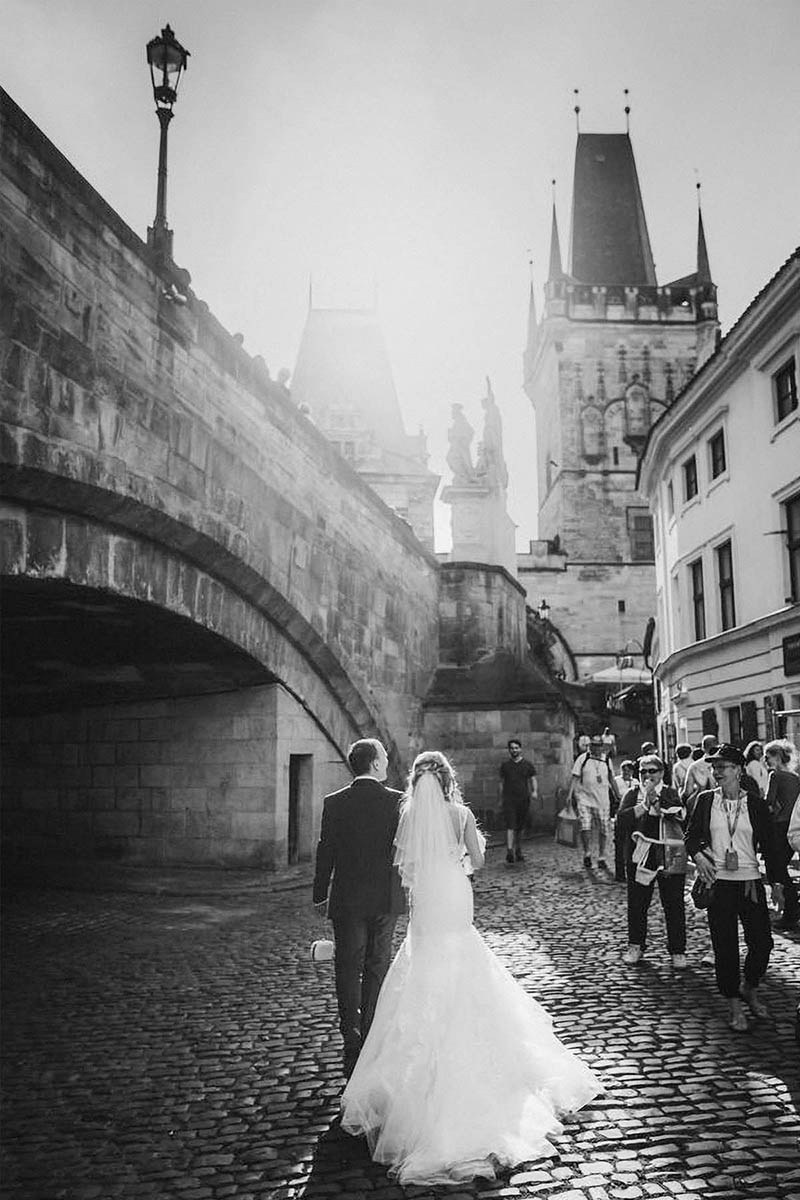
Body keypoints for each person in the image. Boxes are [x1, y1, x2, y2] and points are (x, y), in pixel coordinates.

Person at [340, 751, 601, 1185]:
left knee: (423, 963)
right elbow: (478, 861)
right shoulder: (460, 812)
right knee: (464, 956)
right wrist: (457, 860)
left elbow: (404, 865)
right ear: (446, 779)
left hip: (425, 899)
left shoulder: (407, 814)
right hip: (454, 893)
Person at [312, 738, 405, 1077]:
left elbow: (326, 850)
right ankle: (370, 1034)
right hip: (385, 898)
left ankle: (349, 1037)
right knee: (377, 965)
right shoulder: (397, 802)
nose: (387, 762)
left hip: (348, 898)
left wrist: (319, 893)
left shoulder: (334, 802)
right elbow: (403, 852)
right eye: (384, 757)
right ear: (376, 764)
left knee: (347, 968)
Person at [685, 743, 784, 1032]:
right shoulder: (705, 801)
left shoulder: (754, 803)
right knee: (725, 947)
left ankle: (750, 987)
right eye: (714, 767)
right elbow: (691, 836)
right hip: (718, 885)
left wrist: (777, 882)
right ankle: (734, 1004)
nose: (717, 772)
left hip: (750, 882)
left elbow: (770, 845)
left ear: (738, 770)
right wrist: (699, 854)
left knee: (762, 943)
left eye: (723, 767)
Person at [615, 755, 687, 968]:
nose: (647, 775)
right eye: (643, 771)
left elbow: (681, 816)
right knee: (637, 904)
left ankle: (678, 951)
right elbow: (621, 821)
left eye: (652, 771)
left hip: (669, 855)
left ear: (662, 773)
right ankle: (635, 945)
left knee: (673, 904)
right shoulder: (632, 794)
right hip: (640, 857)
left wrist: (658, 801)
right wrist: (643, 805)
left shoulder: (670, 793)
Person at [565, 736, 620, 870]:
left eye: (598, 745)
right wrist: (569, 794)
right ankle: (587, 853)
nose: (595, 747)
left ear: (602, 746)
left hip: (602, 800)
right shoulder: (582, 759)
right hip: (584, 798)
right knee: (585, 826)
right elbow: (575, 777)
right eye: (592, 745)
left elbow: (611, 778)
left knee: (603, 829)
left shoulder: (606, 760)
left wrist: (617, 794)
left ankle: (601, 856)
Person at [764, 738, 800, 930]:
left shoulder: (775, 776)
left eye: (768, 756)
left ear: (777, 757)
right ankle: (791, 908)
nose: (765, 760)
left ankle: (791, 910)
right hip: (793, 824)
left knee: (776, 868)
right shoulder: (794, 776)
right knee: (781, 867)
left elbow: (768, 802)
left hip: (778, 826)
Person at [499, 738, 538, 864]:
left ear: (520, 749)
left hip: (523, 799)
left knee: (520, 827)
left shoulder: (527, 765)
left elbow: (533, 779)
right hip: (509, 799)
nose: (514, 750)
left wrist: (535, 791)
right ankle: (510, 851)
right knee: (510, 825)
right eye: (512, 748)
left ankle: (518, 849)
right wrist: (501, 797)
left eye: (516, 748)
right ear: (509, 750)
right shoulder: (505, 766)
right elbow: (501, 782)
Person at [680, 734, 718, 812]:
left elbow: (688, 791)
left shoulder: (694, 766)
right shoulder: (725, 764)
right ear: (718, 745)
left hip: (701, 805)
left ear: (703, 748)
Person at [612, 760, 636, 882]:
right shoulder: (616, 781)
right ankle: (620, 873)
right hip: (620, 814)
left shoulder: (636, 782)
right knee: (620, 844)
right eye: (624, 770)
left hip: (633, 816)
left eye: (629, 770)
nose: (626, 773)